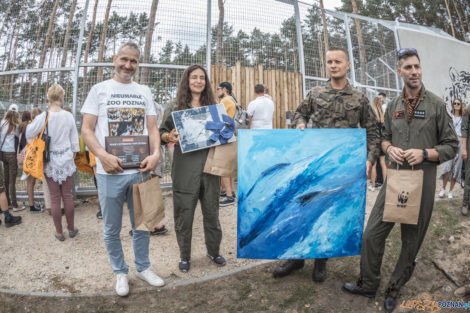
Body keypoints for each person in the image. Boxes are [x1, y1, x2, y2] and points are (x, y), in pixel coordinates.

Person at [342, 48, 459, 313]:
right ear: (400, 72)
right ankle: (368, 283)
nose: (414, 71)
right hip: (395, 181)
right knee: (372, 234)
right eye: (408, 67)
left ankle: (394, 287)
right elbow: (383, 136)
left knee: (411, 242)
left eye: (417, 66)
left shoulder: (437, 105)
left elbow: (451, 145)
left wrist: (426, 153)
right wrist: (387, 147)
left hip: (422, 182)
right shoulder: (393, 106)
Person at [273, 46, 379, 282]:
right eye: (329, 61)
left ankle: (321, 259)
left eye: (338, 61)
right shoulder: (316, 92)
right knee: (302, 206)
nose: (333, 65)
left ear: (348, 65)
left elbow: (373, 132)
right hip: (315, 163)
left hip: (342, 166)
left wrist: (370, 160)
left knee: (327, 209)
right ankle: (297, 257)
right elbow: (299, 114)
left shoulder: (359, 99)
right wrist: (300, 125)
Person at [81, 42, 164, 297]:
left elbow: (151, 129)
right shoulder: (99, 90)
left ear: (138, 64)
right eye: (124, 59)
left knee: (142, 224)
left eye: (134, 61)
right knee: (111, 228)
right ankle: (120, 271)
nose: (128, 65)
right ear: (115, 59)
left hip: (139, 171)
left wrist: (156, 154)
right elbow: (86, 129)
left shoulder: (144, 91)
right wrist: (103, 156)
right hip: (110, 173)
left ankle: (143, 267)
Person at [160, 64, 226, 273]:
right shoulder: (175, 107)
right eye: (194, 77)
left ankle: (213, 251)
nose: (198, 81)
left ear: (206, 83)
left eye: (202, 78)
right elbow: (162, 132)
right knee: (184, 212)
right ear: (187, 81)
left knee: (211, 212)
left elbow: (224, 133)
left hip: (209, 167)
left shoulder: (213, 108)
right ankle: (185, 256)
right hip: (185, 167)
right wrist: (170, 137)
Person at [26, 84, 80, 241]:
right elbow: (74, 141)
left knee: (55, 198)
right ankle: (71, 229)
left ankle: (59, 232)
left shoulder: (43, 117)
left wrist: (36, 139)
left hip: (50, 160)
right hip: (67, 159)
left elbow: (29, 132)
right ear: (61, 97)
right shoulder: (68, 116)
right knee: (68, 196)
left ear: (49, 98)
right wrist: (72, 155)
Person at [439, 98, 465, 199]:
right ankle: (443, 189)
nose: (456, 105)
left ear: (461, 105)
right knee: (447, 167)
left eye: (458, 103)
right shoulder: (449, 116)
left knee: (457, 168)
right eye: (454, 103)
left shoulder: (464, 118)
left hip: (460, 143)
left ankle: (450, 191)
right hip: (450, 143)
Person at [18, 110, 43, 213]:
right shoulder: (33, 128)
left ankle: (32, 203)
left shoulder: (28, 127)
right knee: (30, 181)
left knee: (31, 182)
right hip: (31, 158)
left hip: (29, 158)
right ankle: (32, 205)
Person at [217, 81, 237, 207]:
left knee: (224, 168)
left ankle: (229, 196)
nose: (217, 91)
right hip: (231, 135)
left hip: (224, 135)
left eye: (219, 89)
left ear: (225, 89)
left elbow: (219, 119)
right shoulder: (233, 100)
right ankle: (232, 192)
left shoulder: (224, 101)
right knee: (229, 167)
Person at [1, 104, 20, 211]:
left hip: (3, 154)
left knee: (6, 180)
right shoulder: (16, 125)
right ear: (16, 113)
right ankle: (14, 204)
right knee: (12, 180)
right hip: (12, 154)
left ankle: (6, 203)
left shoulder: (2, 123)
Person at [369, 96, 387, 191]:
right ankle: (384, 185)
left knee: (374, 164)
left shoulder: (372, 115)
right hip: (382, 141)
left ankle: (372, 186)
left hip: (374, 142)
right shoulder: (383, 115)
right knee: (383, 163)